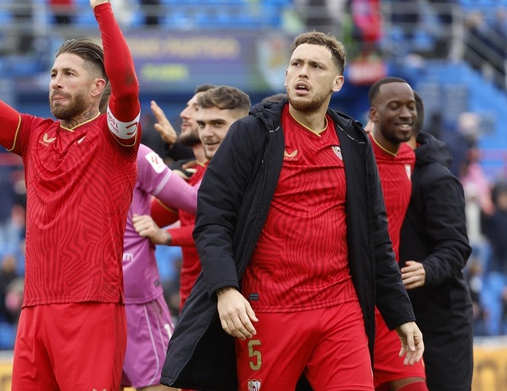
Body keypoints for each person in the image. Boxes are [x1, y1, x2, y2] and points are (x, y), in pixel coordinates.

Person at [161, 31, 424, 390]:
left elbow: (375, 237)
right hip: (267, 310)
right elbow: (213, 219)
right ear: (285, 75)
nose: (303, 73)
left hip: (339, 308)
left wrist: (401, 315)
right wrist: (225, 289)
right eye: (297, 64)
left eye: (316, 66)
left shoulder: (353, 141)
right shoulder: (252, 133)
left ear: (337, 82)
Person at [0, 0, 140, 390]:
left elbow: (126, 86)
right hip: (35, 309)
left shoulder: (116, 136)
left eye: (69, 74)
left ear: (97, 88)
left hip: (91, 306)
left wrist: (103, 11)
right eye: (54, 73)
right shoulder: (33, 134)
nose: (56, 81)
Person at [134, 86, 251, 312]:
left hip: (230, 302)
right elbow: (142, 218)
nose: (186, 114)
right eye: (201, 119)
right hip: (193, 303)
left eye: (196, 109)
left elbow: (223, 225)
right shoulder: (190, 175)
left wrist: (166, 236)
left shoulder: (242, 172)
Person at [400, 92, 474, 391]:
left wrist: (428, 269)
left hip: (439, 322)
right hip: (395, 316)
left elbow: (456, 246)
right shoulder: (369, 172)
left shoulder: (437, 179)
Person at [367, 77, 427, 391]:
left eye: (410, 106)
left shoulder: (408, 156)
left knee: (415, 384)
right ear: (373, 114)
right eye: (395, 106)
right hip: (355, 300)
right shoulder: (356, 158)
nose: (406, 113)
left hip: (391, 301)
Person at [123, 142, 198, 391]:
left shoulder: (70, 152)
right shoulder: (137, 154)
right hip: (134, 294)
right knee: (161, 384)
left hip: (86, 292)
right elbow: (197, 201)